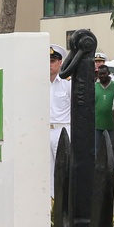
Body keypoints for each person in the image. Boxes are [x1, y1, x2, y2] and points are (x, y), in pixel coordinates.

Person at [48, 44, 71, 196]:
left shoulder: (67, 84)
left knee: (64, 168)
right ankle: (50, 202)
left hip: (62, 129)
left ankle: (65, 201)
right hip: (44, 130)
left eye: (53, 61)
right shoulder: (39, 84)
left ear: (60, 62)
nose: (49, 64)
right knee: (46, 171)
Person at [94, 64, 114, 171]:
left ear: (108, 73)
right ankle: (97, 166)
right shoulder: (94, 86)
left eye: (104, 73)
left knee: (112, 146)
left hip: (111, 123)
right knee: (97, 146)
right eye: (100, 74)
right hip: (97, 122)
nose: (102, 76)